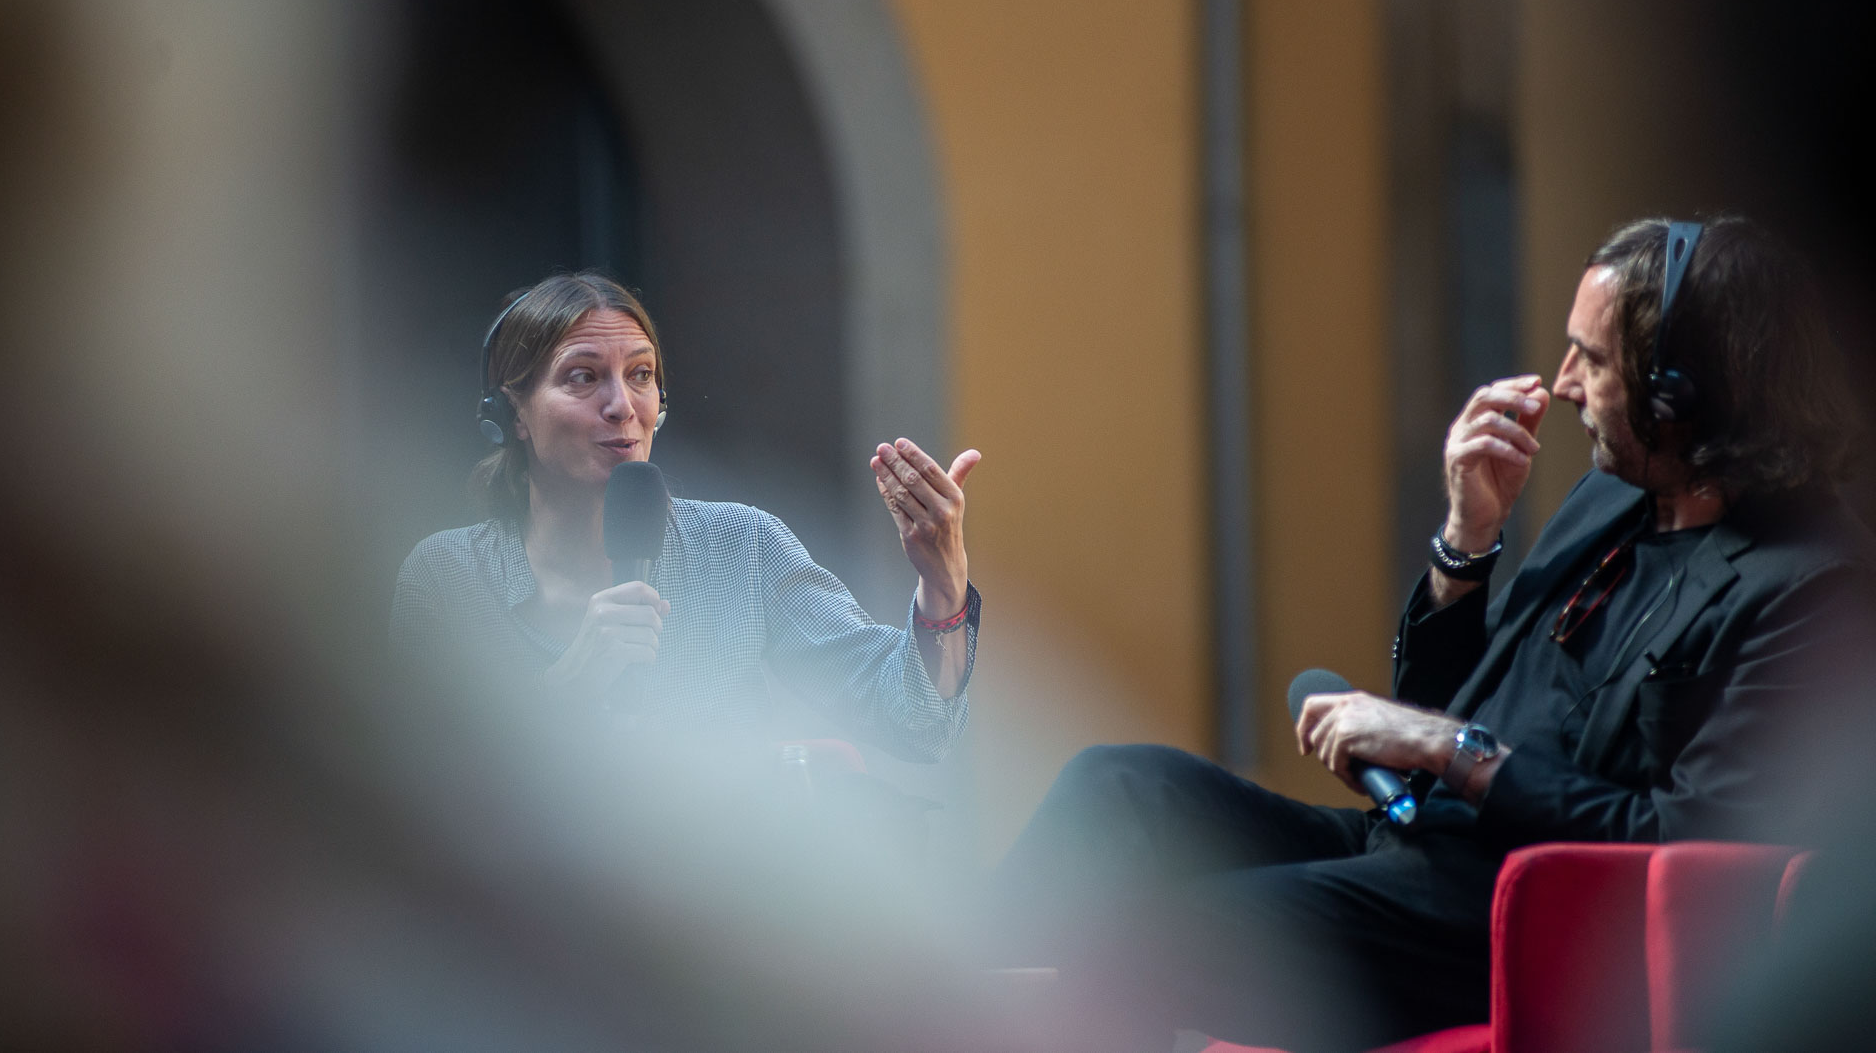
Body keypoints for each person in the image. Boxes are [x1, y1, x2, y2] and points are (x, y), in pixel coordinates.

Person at [990, 215, 1874, 1052]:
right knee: (1119, 786)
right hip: (1409, 843)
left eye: (1595, 359)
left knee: (1144, 934)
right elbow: (1444, 705)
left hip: (1511, 916)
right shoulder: (1614, 497)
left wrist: (1452, 751)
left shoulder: (1805, 586)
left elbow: (1679, 842)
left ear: (1682, 390)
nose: (1564, 381)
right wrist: (1467, 539)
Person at [390, 271, 982, 761]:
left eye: (641, 375)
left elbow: (915, 728)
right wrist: (569, 683)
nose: (622, 406)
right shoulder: (446, 576)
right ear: (512, 414)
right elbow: (413, 792)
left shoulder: (743, 546)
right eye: (583, 377)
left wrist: (943, 587)